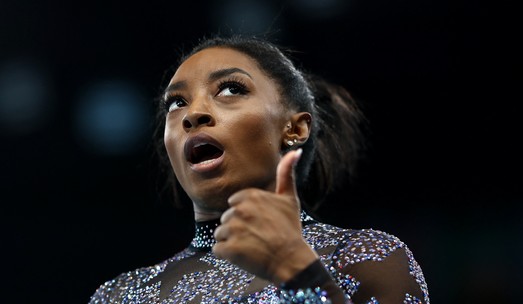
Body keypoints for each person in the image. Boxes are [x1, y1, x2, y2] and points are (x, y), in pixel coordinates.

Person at [89, 34, 430, 304]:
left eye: (230, 89)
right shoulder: (120, 295)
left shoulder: (365, 259)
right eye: (177, 103)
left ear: (294, 128)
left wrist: (300, 275)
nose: (193, 114)